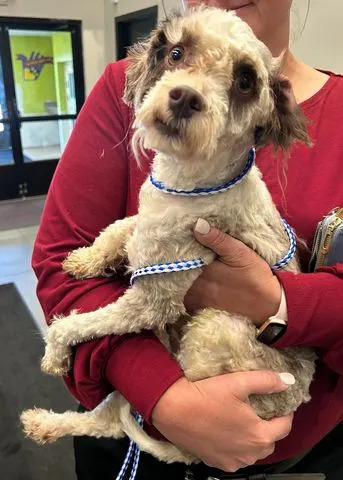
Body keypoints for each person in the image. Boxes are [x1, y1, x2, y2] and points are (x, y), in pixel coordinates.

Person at [32, 0, 343, 479]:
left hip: (298, 456)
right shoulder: (124, 86)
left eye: (241, 82)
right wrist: (165, 396)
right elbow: (60, 265)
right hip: (134, 442)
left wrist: (282, 303)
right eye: (179, 56)